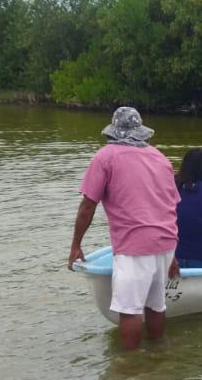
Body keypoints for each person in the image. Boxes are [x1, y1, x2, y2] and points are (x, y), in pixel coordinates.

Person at [68, 106, 182, 350]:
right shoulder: (160, 158)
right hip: (166, 242)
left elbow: (88, 205)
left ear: (114, 132)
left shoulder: (106, 156)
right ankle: (157, 355)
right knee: (156, 304)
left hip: (134, 246)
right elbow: (171, 206)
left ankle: (127, 367)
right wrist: (174, 254)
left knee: (129, 310)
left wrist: (76, 245)